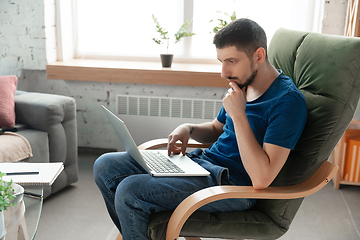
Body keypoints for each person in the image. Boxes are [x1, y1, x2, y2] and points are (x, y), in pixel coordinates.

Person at [94, 18, 308, 240]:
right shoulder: (243, 85)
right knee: (105, 166)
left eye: (232, 61)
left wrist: (239, 114)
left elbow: (262, 178)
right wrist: (189, 128)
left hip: (232, 185)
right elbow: (217, 128)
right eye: (221, 61)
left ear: (259, 56)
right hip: (202, 164)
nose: (224, 72)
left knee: (130, 191)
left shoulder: (287, 102)